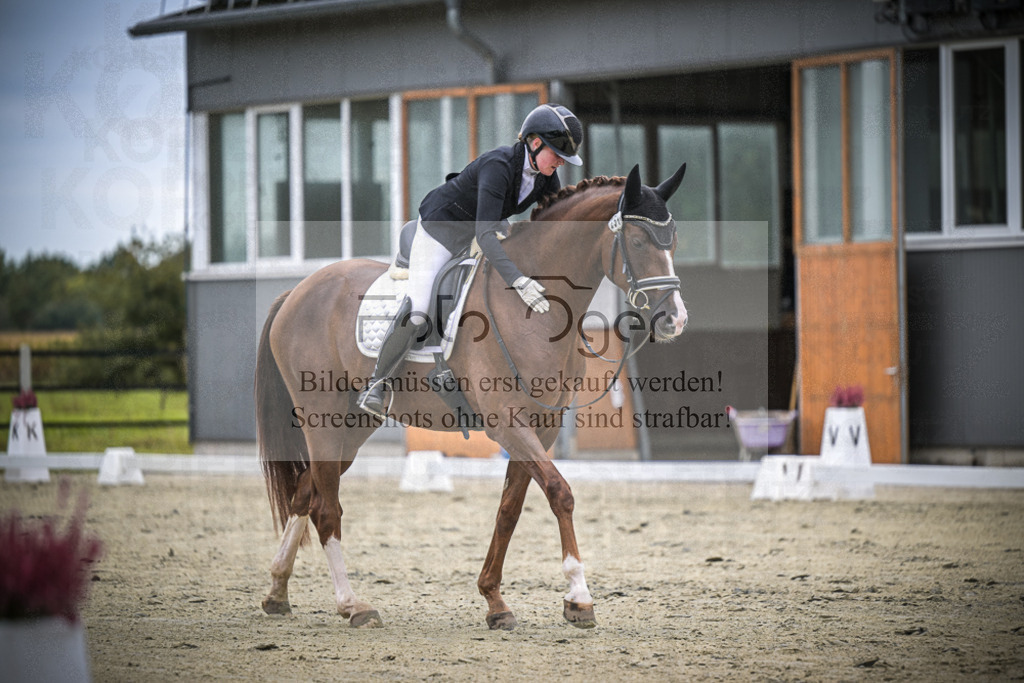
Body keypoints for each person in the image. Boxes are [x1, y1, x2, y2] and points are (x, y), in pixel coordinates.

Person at [358, 103, 585, 416]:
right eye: (557, 154)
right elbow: (485, 235)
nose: (560, 162)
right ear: (534, 143)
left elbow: (549, 229)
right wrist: (518, 280)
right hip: (441, 231)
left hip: (479, 230)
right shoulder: (498, 165)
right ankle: (377, 383)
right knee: (420, 310)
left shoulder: (546, 176)